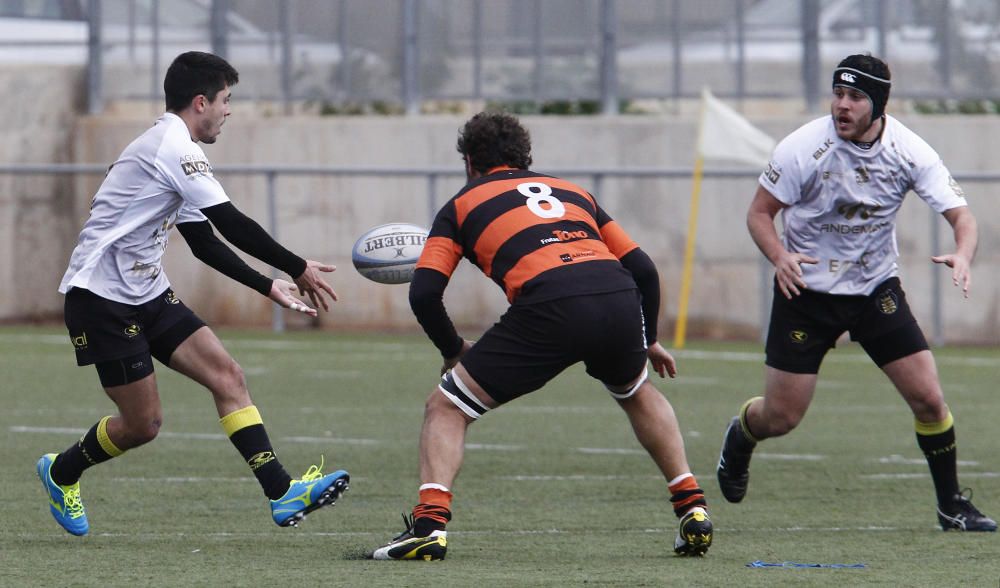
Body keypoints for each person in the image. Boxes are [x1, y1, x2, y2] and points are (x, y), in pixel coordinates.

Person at [369, 111, 712, 561]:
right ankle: (693, 507)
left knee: (447, 407)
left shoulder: (460, 205)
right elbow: (644, 269)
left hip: (551, 304)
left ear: (470, 161)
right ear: (525, 157)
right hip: (617, 297)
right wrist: (646, 339)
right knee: (635, 390)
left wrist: (453, 351)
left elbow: (425, 293)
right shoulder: (574, 192)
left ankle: (429, 527)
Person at [37, 51, 349, 536]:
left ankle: (281, 491)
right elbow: (230, 223)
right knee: (143, 425)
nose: (229, 110)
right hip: (99, 300)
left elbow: (203, 241)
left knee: (228, 375)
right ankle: (61, 471)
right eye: (226, 100)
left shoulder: (175, 151)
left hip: (147, 291)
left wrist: (269, 285)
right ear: (200, 101)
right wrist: (297, 265)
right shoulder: (173, 148)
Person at [716, 53, 995, 532]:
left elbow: (962, 217)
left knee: (929, 400)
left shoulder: (910, 151)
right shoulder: (802, 147)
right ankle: (741, 435)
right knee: (781, 418)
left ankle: (951, 505)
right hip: (805, 291)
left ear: (879, 103)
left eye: (855, 97)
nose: (841, 106)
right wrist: (780, 257)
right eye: (838, 94)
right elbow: (759, 213)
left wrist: (963, 253)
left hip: (873, 291)